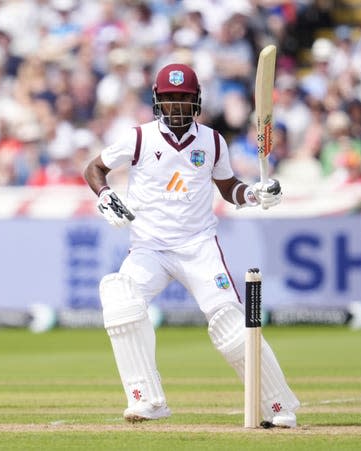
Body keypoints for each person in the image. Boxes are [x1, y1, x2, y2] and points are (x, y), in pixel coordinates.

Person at [83, 63, 299, 426]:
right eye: (169, 99)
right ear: (157, 100)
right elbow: (94, 168)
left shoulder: (212, 141)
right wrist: (104, 196)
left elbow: (229, 189)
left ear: (196, 100)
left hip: (198, 246)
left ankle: (278, 406)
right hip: (149, 248)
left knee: (231, 325)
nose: (177, 107)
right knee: (119, 298)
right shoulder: (139, 137)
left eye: (183, 99)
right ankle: (147, 400)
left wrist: (255, 194)